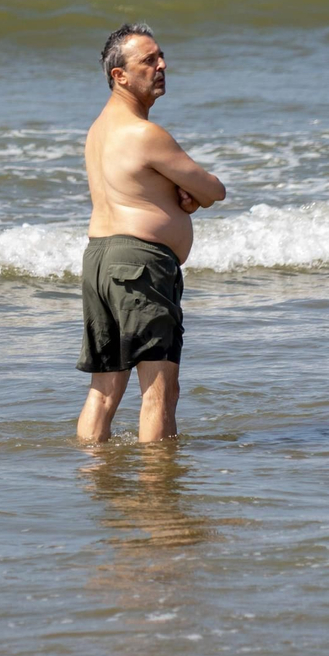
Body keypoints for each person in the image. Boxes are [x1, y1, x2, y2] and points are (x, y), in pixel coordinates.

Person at [76, 23, 225, 443]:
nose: (161, 66)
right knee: (160, 392)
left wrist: (182, 195)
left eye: (161, 57)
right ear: (118, 75)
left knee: (105, 391)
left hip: (101, 260)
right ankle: (158, 498)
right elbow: (214, 190)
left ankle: (95, 481)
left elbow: (140, 188)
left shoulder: (97, 132)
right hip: (140, 265)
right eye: (148, 60)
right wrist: (195, 194)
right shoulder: (145, 134)